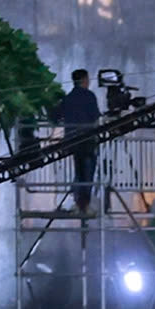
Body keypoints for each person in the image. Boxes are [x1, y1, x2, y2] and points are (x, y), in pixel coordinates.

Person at [55, 69, 102, 210]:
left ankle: (78, 200)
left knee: (79, 170)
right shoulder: (89, 96)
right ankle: (84, 203)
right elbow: (95, 117)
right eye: (88, 79)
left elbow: (56, 116)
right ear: (84, 80)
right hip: (87, 140)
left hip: (72, 141)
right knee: (88, 172)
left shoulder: (68, 98)